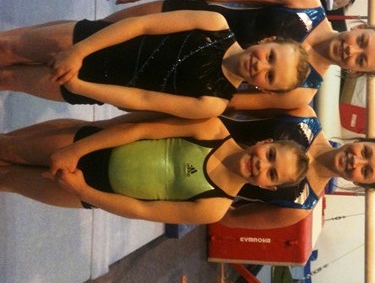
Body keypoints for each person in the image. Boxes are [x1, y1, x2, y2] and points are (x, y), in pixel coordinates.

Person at [105, 0, 375, 108]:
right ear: (360, 27)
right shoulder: (305, 2)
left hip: (170, 77)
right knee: (90, 33)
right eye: (361, 41)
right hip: (180, 20)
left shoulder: (302, 92)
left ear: (357, 72)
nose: (351, 49)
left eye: (361, 59)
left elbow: (226, 103)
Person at [0, 10, 308, 119]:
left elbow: (143, 99)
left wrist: (82, 87)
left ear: (265, 90)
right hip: (95, 41)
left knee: (10, 80)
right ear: (268, 40)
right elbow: (141, 25)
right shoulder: (215, 24)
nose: (261, 66)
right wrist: (80, 50)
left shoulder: (213, 103)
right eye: (271, 56)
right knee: (9, 47)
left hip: (94, 83)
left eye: (270, 76)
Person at [0, 116, 308, 224]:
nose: (261, 164)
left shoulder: (214, 208)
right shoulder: (212, 129)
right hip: (91, 146)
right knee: (8, 148)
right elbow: (140, 130)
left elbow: (141, 210)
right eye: (270, 155)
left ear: (267, 187)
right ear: (265, 142)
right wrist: (76, 150)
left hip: (92, 190)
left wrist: (83, 191)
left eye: (271, 173)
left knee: (8, 179)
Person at [216, 103, 375, 228]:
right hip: (203, 130)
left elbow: (231, 218)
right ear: (361, 140)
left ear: (360, 184)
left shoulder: (298, 207)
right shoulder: (302, 116)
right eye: (365, 152)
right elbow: (235, 105)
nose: (356, 161)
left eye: (365, 171)